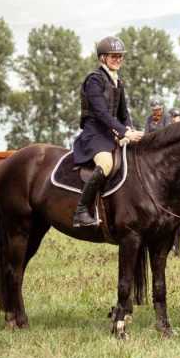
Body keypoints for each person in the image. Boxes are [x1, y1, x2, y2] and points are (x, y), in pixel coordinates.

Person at [71, 36, 143, 228]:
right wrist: (123, 132)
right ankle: (81, 211)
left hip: (111, 134)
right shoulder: (94, 80)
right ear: (102, 58)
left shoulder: (118, 82)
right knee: (106, 163)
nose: (118, 59)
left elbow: (124, 114)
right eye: (113, 56)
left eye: (120, 56)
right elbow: (101, 113)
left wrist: (130, 130)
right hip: (94, 134)